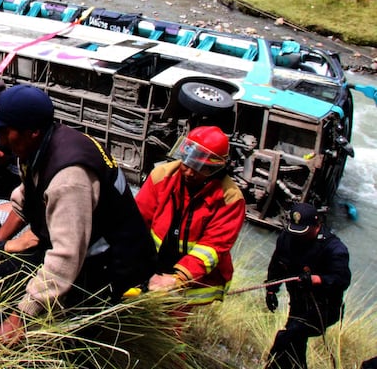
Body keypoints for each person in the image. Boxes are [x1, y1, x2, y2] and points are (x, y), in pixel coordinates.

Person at [0, 84, 156, 345]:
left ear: (32, 131)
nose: (0, 139)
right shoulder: (37, 146)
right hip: (81, 247)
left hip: (110, 263)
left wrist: (19, 318)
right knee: (5, 274)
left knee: (66, 341)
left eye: (4, 130)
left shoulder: (69, 179)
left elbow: (65, 257)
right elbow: (27, 198)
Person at [134, 126, 245, 306]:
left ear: (216, 168)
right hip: (153, 265)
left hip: (192, 278)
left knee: (173, 317)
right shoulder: (161, 177)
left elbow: (213, 246)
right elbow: (137, 222)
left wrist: (178, 279)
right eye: (187, 163)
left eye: (200, 168)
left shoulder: (229, 199)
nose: (189, 172)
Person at [264, 203, 351, 369]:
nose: (298, 236)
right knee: (295, 344)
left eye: (303, 232)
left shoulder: (334, 249)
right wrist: (271, 290)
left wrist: (316, 280)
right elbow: (277, 264)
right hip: (298, 303)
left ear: (317, 226)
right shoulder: (287, 238)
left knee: (286, 338)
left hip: (323, 308)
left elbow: (342, 280)